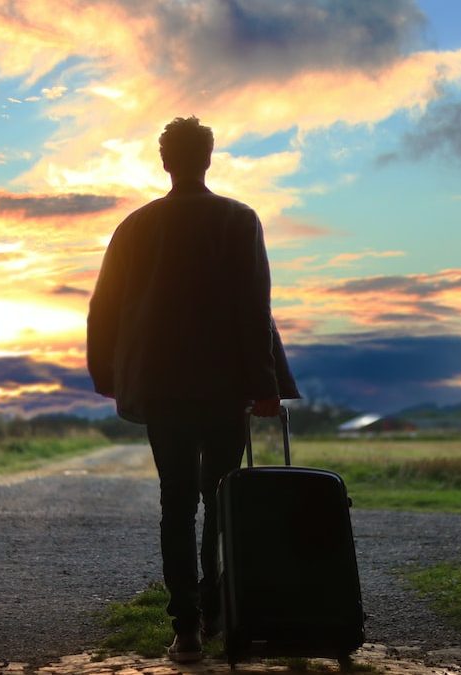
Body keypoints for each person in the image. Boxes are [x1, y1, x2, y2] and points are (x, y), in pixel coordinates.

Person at [87, 116, 299, 663]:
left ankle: (186, 631)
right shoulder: (239, 219)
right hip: (225, 386)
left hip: (161, 389)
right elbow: (256, 309)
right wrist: (265, 386)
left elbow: (104, 307)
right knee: (222, 500)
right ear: (208, 158)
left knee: (176, 505)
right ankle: (217, 612)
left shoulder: (135, 226)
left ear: (165, 161)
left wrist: (109, 376)